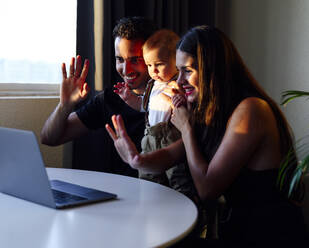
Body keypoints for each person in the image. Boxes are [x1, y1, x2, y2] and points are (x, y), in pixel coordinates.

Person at [105, 25, 308, 247]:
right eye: (179, 70)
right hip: (238, 231)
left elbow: (208, 189)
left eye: (188, 71)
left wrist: (187, 129)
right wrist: (136, 159)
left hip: (268, 236)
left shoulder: (251, 110)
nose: (179, 80)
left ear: (214, 69)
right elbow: (171, 155)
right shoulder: (212, 111)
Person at [41, 16, 157, 177]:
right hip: (120, 194)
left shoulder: (168, 98)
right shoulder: (110, 98)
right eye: (120, 59)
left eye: (135, 59)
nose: (126, 69)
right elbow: (49, 138)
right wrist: (65, 106)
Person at [113, 29, 198, 201]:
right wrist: (129, 98)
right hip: (150, 137)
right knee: (147, 179)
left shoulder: (179, 83)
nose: (154, 71)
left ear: (176, 61)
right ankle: (149, 204)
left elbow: (190, 109)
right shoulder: (152, 85)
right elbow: (143, 106)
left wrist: (181, 100)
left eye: (159, 64)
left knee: (178, 177)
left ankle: (185, 205)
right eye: (149, 65)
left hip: (171, 137)